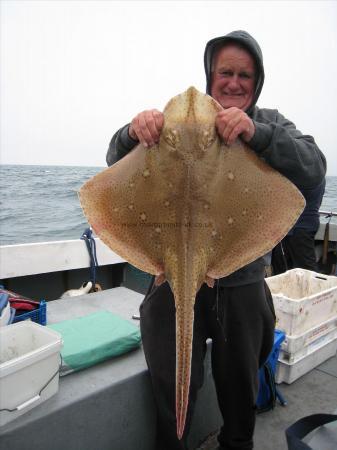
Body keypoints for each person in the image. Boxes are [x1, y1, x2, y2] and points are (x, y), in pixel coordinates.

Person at [106, 30, 326, 450]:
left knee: (239, 390)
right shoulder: (170, 126)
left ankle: (237, 443)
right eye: (226, 71)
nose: (234, 82)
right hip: (168, 275)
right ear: (210, 75)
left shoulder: (271, 124)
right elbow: (115, 162)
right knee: (172, 388)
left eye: (245, 74)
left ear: (257, 81)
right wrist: (132, 132)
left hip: (241, 278)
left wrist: (256, 133)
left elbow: (314, 166)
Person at [272, 178, 326, 275]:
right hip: (305, 225)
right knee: (300, 266)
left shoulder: (298, 175)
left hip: (296, 227)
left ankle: (313, 288)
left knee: (305, 269)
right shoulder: (320, 176)